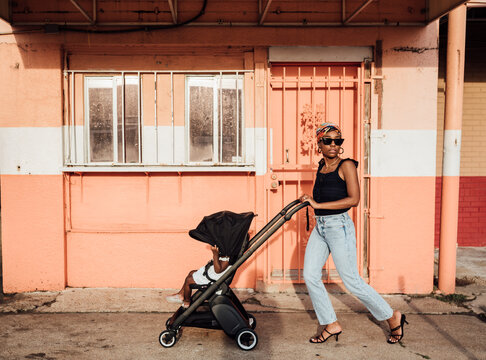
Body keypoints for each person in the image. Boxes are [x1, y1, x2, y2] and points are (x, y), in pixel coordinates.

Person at [300, 122, 408, 345]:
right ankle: (331, 323)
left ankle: (391, 317)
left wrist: (317, 204)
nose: (333, 145)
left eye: (337, 141)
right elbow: (322, 199)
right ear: (319, 143)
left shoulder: (346, 165)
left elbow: (354, 200)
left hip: (338, 226)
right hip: (321, 227)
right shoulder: (321, 166)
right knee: (310, 275)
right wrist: (310, 201)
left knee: (352, 280)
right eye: (328, 140)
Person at [166, 245, 231, 308]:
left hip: (214, 280)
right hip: (212, 275)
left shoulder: (227, 259)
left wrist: (215, 254)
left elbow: (218, 270)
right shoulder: (224, 256)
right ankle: (181, 294)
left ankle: (187, 301)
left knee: (189, 281)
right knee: (192, 272)